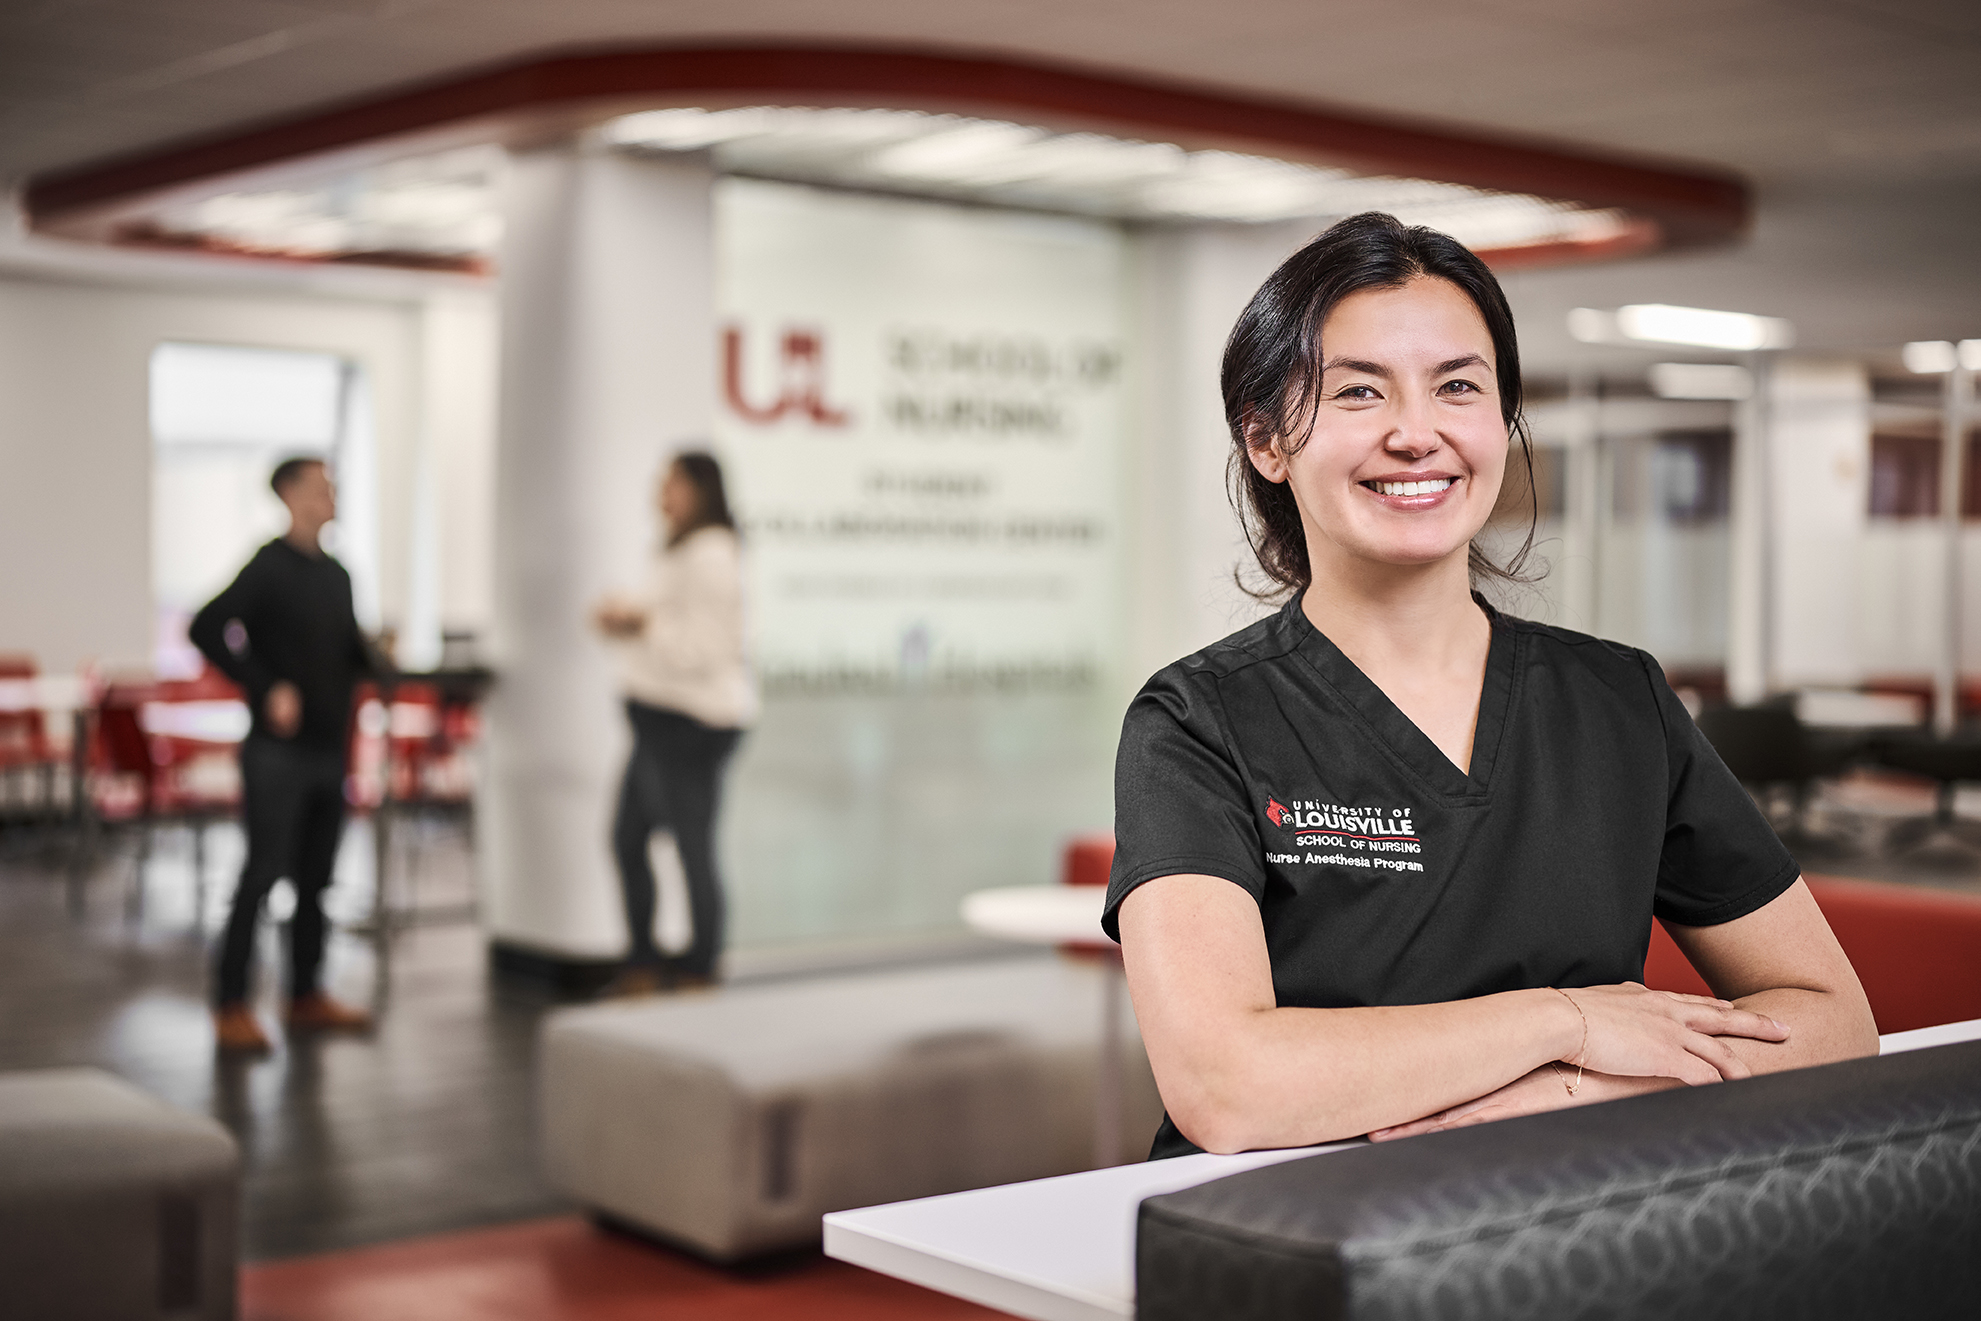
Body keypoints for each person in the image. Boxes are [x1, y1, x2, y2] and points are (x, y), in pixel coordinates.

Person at [1104, 212, 1878, 1158]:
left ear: (1501, 423)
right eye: (1357, 392)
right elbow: (1226, 1087)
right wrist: (1565, 1022)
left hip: (1560, 1231)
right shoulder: (1197, 721)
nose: (1415, 433)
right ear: (1266, 441)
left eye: (1458, 387)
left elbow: (1836, 1025)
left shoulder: (1618, 700)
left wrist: (1567, 1092)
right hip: (1286, 1242)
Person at [190, 457, 385, 1054]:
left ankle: (304, 995)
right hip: (277, 755)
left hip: (331, 751)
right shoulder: (268, 567)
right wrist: (264, 684)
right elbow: (207, 626)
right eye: (321, 486)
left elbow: (347, 649)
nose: (331, 495)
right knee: (261, 875)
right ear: (291, 495)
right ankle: (230, 1004)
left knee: (317, 881)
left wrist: (380, 658)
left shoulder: (339, 575)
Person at [593, 451, 755, 994]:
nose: (660, 494)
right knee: (627, 838)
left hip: (692, 724)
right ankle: (645, 959)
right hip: (656, 719)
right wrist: (630, 623)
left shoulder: (712, 554)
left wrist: (641, 621)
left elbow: (703, 648)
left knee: (693, 847)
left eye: (671, 484)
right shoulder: (674, 549)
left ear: (699, 490)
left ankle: (700, 968)